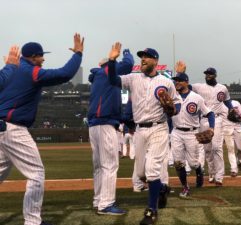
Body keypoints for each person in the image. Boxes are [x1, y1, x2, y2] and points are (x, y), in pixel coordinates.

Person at [0, 33, 84, 225]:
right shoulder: (31, 71)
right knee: (36, 174)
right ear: (33, 57)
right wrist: (78, 54)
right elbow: (64, 74)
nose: (43, 59)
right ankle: (32, 221)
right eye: (41, 56)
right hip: (13, 128)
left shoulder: (11, 70)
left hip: (2, 127)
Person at [108, 43, 181, 225]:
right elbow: (113, 80)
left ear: (155, 61)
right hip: (140, 130)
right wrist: (111, 60)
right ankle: (162, 189)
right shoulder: (133, 78)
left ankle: (151, 211)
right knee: (140, 174)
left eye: (147, 56)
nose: (143, 59)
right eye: (142, 56)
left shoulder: (166, 82)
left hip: (158, 128)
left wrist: (174, 109)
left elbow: (177, 103)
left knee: (152, 169)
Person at [88, 45, 134, 215]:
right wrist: (127, 53)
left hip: (95, 124)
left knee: (100, 166)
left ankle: (98, 200)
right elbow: (128, 64)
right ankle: (106, 204)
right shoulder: (107, 71)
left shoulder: (98, 76)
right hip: (105, 123)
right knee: (110, 165)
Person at [176, 61, 233, 187]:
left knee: (216, 148)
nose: (208, 75)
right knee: (207, 149)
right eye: (206, 74)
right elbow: (183, 85)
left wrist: (232, 109)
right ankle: (212, 173)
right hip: (202, 119)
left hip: (216, 119)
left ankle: (219, 176)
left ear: (215, 75)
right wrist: (181, 73)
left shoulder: (222, 88)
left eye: (210, 74)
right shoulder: (198, 87)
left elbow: (228, 101)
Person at [170, 71, 215, 198]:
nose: (177, 82)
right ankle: (185, 187)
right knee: (178, 162)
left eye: (180, 80)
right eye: (176, 80)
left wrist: (211, 128)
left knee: (193, 163)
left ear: (186, 82)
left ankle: (199, 170)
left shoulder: (197, 98)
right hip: (176, 132)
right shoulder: (172, 97)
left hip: (192, 133)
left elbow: (210, 114)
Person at [223, 100, 241, 175]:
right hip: (227, 128)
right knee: (231, 149)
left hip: (237, 127)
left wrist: (238, 116)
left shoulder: (236, 103)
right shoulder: (220, 104)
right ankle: (233, 169)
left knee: (239, 149)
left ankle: (240, 162)